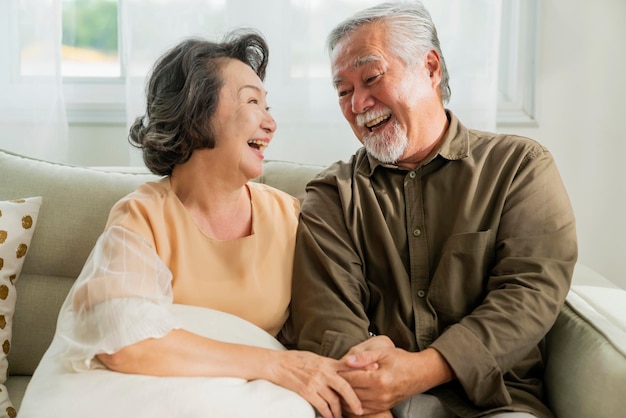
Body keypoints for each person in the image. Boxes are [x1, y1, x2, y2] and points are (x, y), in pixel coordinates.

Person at [18, 30, 361, 418]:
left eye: (269, 106)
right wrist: (275, 365)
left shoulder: (291, 217)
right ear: (198, 111)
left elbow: (337, 323)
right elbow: (122, 342)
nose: (271, 123)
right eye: (252, 101)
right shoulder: (143, 214)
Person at [285, 2, 577, 418]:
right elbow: (327, 324)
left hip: (497, 403)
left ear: (431, 68)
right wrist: (372, 403)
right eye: (344, 91)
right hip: (371, 406)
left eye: (370, 78)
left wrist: (424, 369)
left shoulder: (519, 167)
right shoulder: (334, 195)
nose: (358, 104)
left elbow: (530, 293)